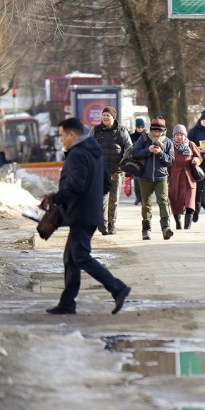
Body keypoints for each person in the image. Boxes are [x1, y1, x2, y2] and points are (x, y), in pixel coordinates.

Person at [44, 117, 132, 315]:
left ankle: (117, 288)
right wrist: (92, 200)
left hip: (81, 214)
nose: (61, 141)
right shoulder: (94, 152)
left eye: (62, 136)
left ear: (72, 134)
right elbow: (106, 185)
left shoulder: (77, 154)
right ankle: (67, 303)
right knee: (71, 257)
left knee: (81, 256)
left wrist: (55, 198)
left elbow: (75, 185)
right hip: (90, 213)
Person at [89, 106, 132, 235]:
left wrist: (124, 163)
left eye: (108, 115)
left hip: (117, 171)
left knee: (114, 198)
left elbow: (129, 148)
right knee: (102, 197)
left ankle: (112, 224)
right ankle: (103, 222)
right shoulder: (95, 130)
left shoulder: (122, 130)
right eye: (104, 115)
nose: (105, 117)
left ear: (114, 117)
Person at [132, 116, 175, 240]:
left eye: (159, 131)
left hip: (161, 177)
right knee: (146, 204)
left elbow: (171, 160)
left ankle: (166, 228)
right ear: (151, 129)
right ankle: (146, 230)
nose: (156, 133)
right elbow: (135, 154)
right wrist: (147, 150)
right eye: (154, 130)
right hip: (145, 177)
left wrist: (160, 153)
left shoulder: (167, 142)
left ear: (164, 131)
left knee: (163, 201)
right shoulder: (144, 138)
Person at [168, 124, 203, 230]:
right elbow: (167, 161)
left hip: (189, 177)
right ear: (174, 136)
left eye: (182, 134)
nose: (180, 137)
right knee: (175, 200)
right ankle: (178, 223)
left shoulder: (191, 144)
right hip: (175, 176)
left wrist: (196, 160)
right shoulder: (170, 145)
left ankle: (187, 225)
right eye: (177, 135)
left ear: (185, 135)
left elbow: (199, 157)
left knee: (190, 200)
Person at [129, 118, 146, 205]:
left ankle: (144, 198)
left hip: (145, 161)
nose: (140, 128)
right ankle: (138, 197)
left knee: (144, 180)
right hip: (135, 161)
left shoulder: (147, 136)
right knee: (136, 181)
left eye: (142, 126)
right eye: (138, 127)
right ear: (136, 127)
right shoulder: (132, 137)